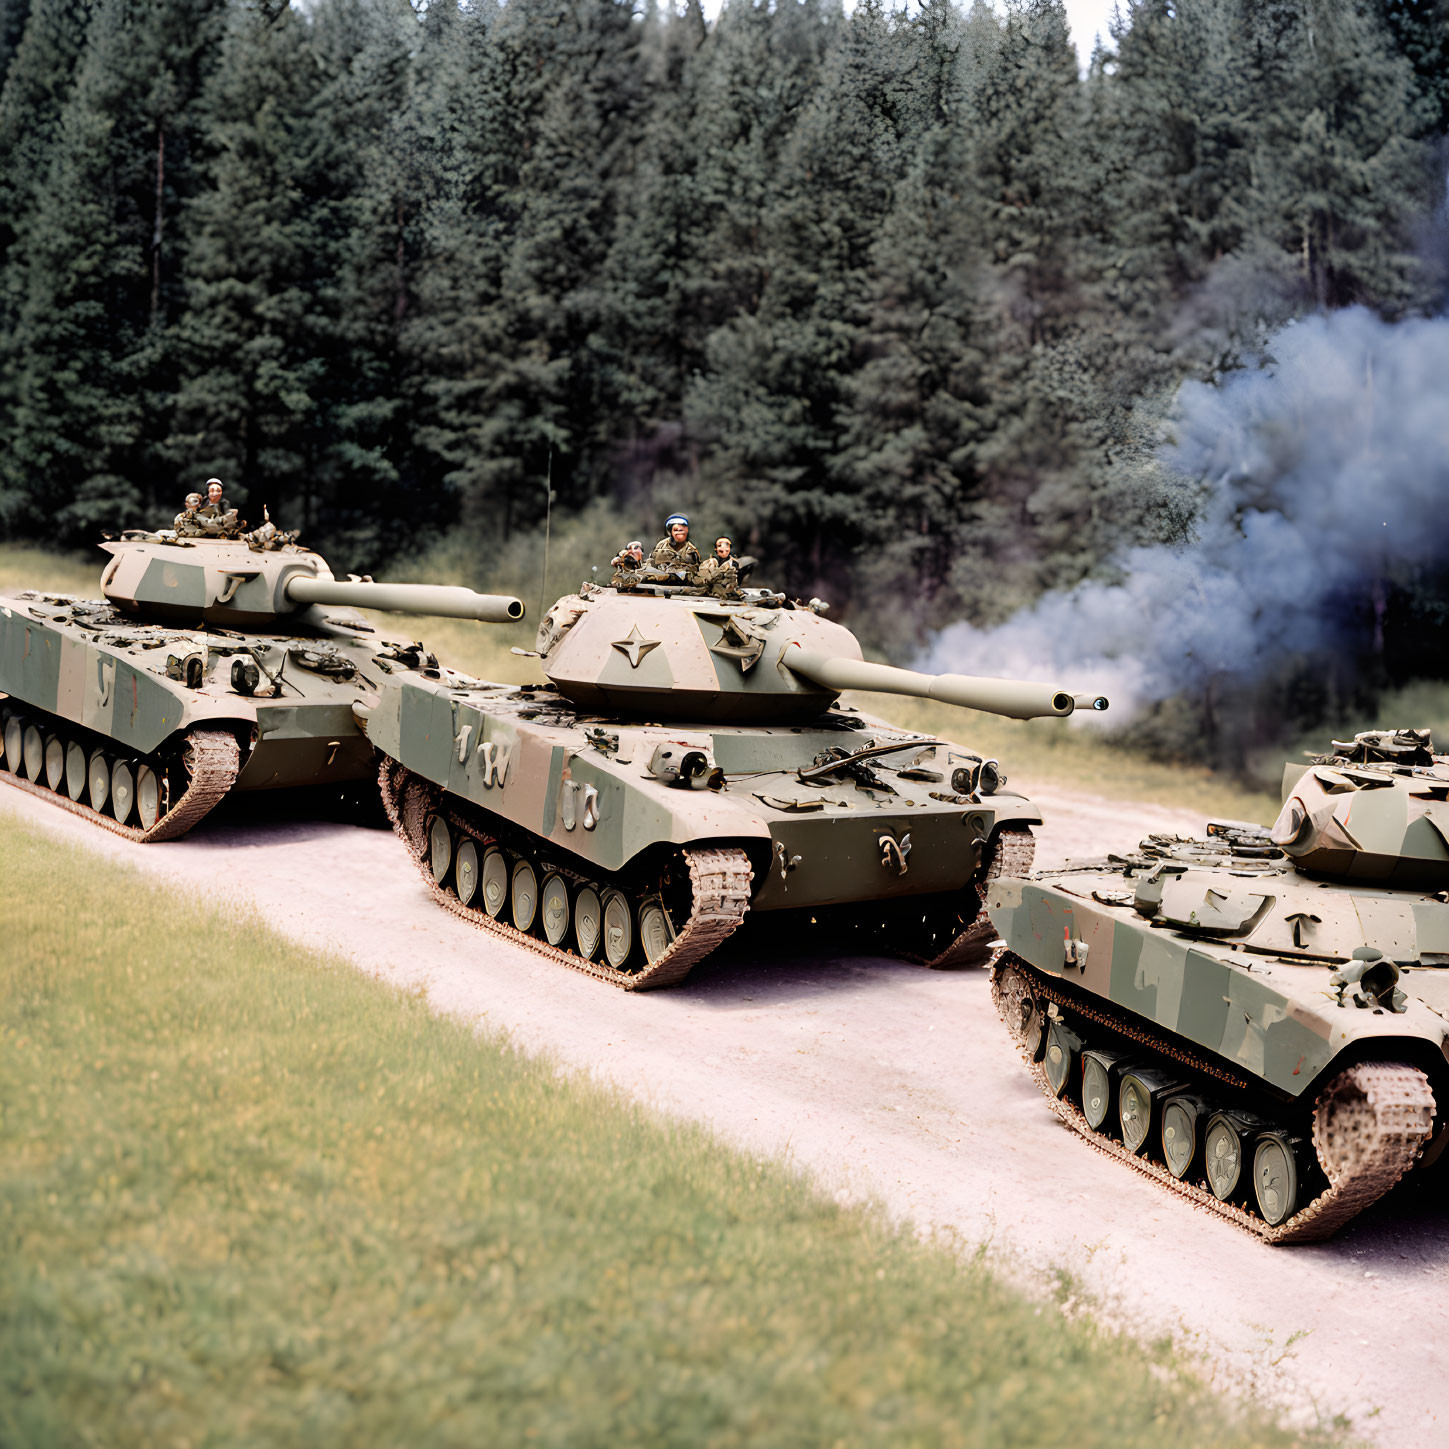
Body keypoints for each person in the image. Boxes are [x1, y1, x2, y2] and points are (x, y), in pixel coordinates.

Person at [649, 513, 701, 580]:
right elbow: (651, 564)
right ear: (670, 532)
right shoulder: (661, 545)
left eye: (681, 530)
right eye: (676, 530)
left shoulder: (692, 550)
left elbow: (696, 570)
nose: (679, 533)